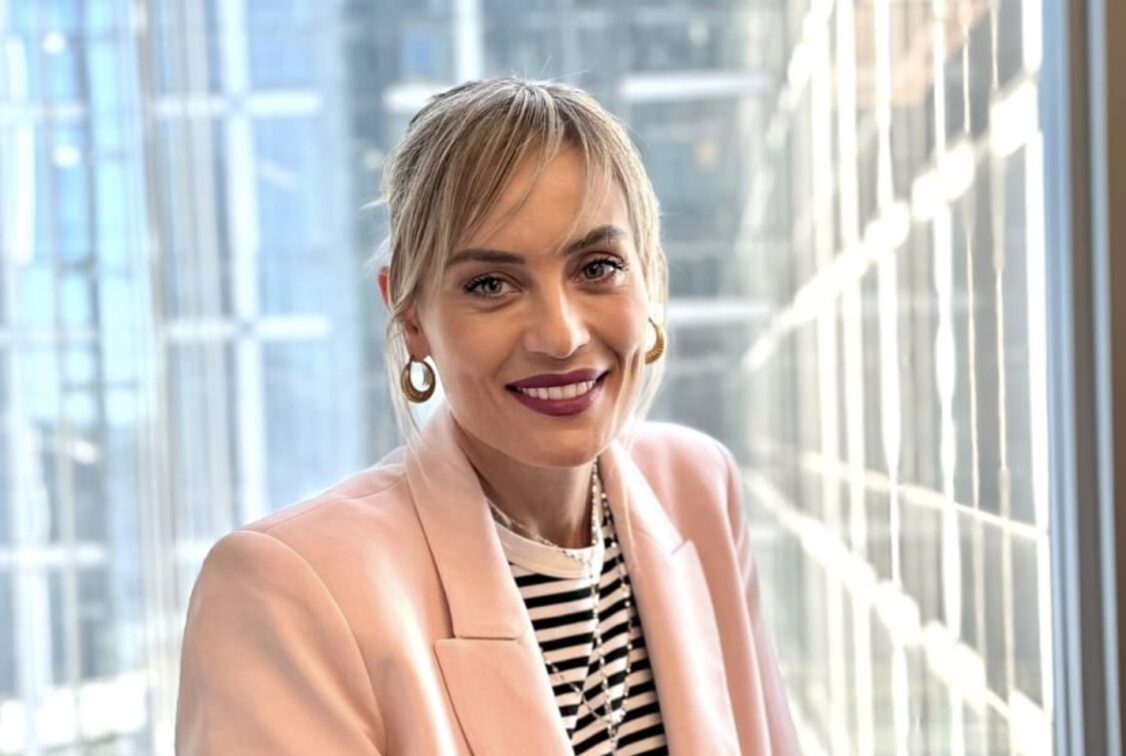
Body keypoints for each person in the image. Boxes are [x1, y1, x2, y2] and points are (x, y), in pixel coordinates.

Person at [175, 77, 798, 755]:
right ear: (410, 317)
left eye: (597, 268)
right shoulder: (287, 591)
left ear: (646, 273)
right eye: (491, 284)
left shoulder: (698, 487)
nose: (560, 336)